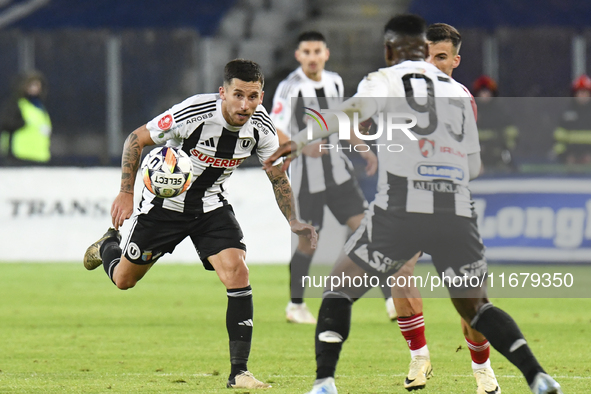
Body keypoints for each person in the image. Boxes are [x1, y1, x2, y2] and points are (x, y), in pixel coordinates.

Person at [264, 14, 563, 394]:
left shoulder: (384, 80)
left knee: (338, 288)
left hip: (401, 208)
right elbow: (472, 166)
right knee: (476, 304)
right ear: (424, 51)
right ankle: (535, 375)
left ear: (389, 50)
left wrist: (300, 138)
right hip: (455, 209)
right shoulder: (459, 96)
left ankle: (324, 383)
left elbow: (348, 114)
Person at [83, 59, 318, 390]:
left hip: (210, 206)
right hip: (164, 205)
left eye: (252, 97)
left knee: (238, 271)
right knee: (123, 280)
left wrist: (294, 221)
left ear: (261, 97)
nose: (244, 105)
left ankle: (240, 373)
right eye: (238, 95)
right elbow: (136, 139)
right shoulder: (193, 112)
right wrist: (125, 192)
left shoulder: (262, 128)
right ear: (223, 92)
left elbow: (277, 176)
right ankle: (107, 245)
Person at [387, 22, 501, 394]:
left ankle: (483, 371)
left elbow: (472, 164)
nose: (431, 65)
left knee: (471, 296)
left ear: (455, 60)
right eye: (425, 56)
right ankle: (419, 358)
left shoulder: (462, 98)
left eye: (440, 57)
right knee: (398, 269)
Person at [269, 31, 386, 324]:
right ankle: (295, 305)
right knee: (309, 242)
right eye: (306, 52)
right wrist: (301, 145)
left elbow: (342, 122)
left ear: (326, 53)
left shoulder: (334, 81)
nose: (311, 57)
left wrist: (364, 150)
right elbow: (274, 127)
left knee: (366, 230)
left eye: (316, 51)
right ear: (298, 56)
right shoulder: (289, 87)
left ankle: (393, 301)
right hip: (308, 180)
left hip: (339, 172)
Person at [0, 71, 52, 165]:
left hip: (39, 156)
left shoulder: (40, 108)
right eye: (31, 85)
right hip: (19, 156)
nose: (35, 88)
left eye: (37, 85)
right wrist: (21, 124)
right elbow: (5, 124)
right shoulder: (16, 105)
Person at [471, 75, 519, 173]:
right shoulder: (471, 109)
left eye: (487, 92)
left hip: (497, 148)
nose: (484, 95)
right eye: (481, 92)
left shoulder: (499, 110)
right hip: (477, 149)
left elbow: (510, 130)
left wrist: (503, 139)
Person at [553, 74, 591, 165]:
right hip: (570, 159)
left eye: (586, 92)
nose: (583, 96)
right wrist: (565, 156)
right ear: (574, 94)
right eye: (580, 92)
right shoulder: (566, 114)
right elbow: (559, 138)